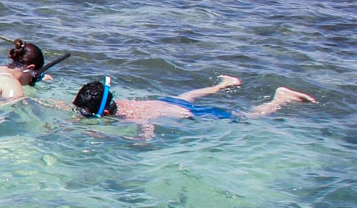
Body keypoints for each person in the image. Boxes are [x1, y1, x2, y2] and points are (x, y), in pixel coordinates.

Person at [72, 75, 315, 134]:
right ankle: (222, 85)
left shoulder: (129, 116)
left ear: (104, 112)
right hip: (169, 102)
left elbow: (148, 129)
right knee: (188, 94)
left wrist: (139, 141)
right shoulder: (120, 104)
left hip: (186, 114)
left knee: (249, 118)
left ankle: (280, 99)